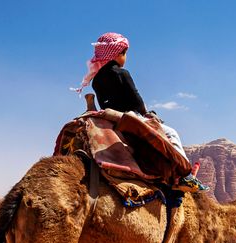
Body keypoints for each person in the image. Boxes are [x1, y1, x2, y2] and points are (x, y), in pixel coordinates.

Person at [73, 32, 207, 191]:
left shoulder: (96, 80)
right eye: (125, 54)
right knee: (171, 133)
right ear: (119, 54)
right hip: (129, 117)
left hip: (110, 119)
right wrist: (147, 113)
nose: (126, 57)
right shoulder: (122, 73)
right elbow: (136, 100)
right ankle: (185, 176)